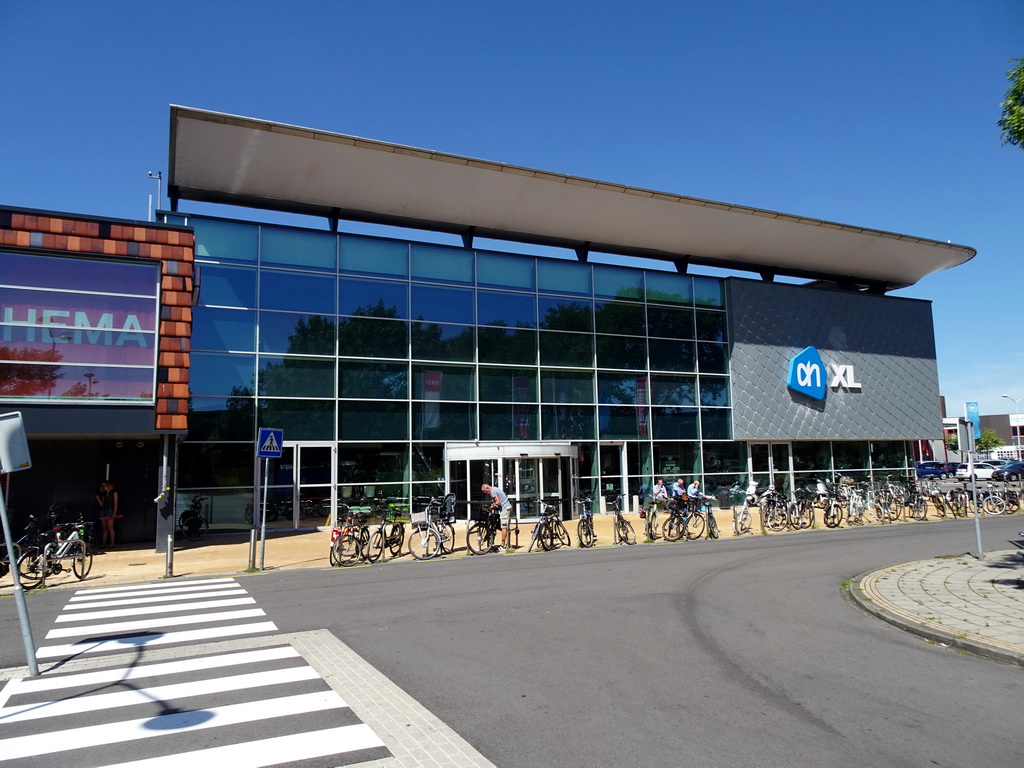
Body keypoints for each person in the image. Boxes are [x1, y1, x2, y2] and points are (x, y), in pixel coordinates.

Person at [481, 482, 513, 552]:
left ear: (487, 488)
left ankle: (503, 545)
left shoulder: (492, 491)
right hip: (506, 507)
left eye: (485, 491)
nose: (486, 493)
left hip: (505, 508)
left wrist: (490, 508)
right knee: (506, 527)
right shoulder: (495, 489)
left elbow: (498, 502)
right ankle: (508, 544)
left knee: (504, 527)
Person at [95, 480, 119, 549]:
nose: (103, 488)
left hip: (110, 510)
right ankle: (104, 544)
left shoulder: (114, 492)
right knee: (104, 528)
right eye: (102, 486)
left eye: (104, 486)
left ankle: (112, 544)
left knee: (110, 527)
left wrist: (114, 513)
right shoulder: (104, 494)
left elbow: (115, 504)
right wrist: (98, 499)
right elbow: (102, 505)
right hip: (103, 510)